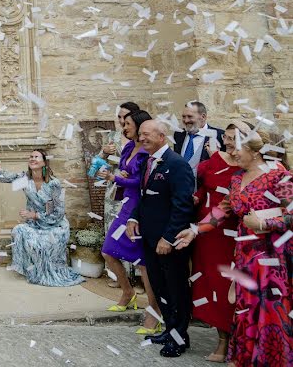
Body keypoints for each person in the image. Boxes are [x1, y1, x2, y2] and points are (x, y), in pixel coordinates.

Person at [176, 130, 293, 367]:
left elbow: (291, 214)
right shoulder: (237, 179)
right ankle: (246, 358)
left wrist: (263, 223)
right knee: (246, 304)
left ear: (254, 150)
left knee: (270, 306)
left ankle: (273, 359)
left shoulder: (278, 174)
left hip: (273, 254)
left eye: (237, 148)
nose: (231, 152)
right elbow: (222, 211)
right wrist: (195, 230)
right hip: (245, 252)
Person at [125, 120, 195, 358]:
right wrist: (133, 218)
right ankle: (169, 328)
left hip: (169, 240)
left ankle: (179, 338)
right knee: (159, 287)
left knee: (176, 290)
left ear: (161, 136)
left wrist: (168, 237)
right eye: (141, 135)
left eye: (146, 135)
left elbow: (182, 206)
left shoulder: (177, 165)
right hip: (149, 238)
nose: (141, 138)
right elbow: (144, 197)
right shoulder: (148, 160)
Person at [186, 121, 248, 362]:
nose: (228, 142)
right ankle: (222, 340)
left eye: (234, 137)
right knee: (212, 284)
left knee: (233, 288)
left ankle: (242, 341)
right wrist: (195, 199)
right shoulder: (213, 161)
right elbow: (205, 188)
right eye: (227, 137)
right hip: (210, 233)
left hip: (237, 235)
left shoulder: (247, 168)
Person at [98, 110, 162, 334]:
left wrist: (116, 178)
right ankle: (128, 292)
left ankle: (154, 310)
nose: (123, 127)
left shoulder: (146, 152)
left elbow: (143, 181)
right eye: (123, 124)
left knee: (142, 262)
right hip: (125, 205)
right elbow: (126, 172)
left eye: (127, 124)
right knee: (108, 251)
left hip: (140, 207)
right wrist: (118, 175)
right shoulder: (127, 147)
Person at [0, 149, 84, 287]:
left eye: (36, 157)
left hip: (55, 225)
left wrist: (35, 215)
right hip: (35, 225)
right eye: (31, 156)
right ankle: (32, 270)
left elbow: (58, 211)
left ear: (44, 162)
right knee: (18, 230)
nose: (32, 159)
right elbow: (4, 177)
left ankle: (46, 271)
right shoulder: (25, 180)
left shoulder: (53, 184)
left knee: (43, 244)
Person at [174, 101, 225, 172]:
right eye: (183, 117)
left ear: (203, 117)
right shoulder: (179, 134)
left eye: (190, 116)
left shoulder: (218, 136)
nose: (186, 120)